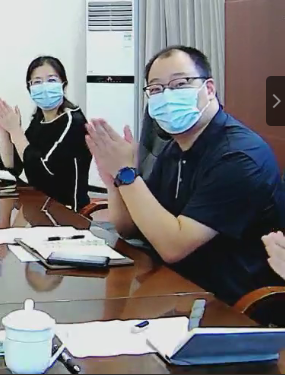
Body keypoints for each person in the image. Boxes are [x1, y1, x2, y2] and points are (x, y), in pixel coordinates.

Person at [86, 46, 285, 305]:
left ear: (209, 89)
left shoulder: (239, 156)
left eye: (180, 84)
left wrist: (126, 174)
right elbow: (129, 227)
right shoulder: (174, 148)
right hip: (175, 286)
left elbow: (173, 247)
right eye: (156, 89)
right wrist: (114, 180)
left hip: (230, 302)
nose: (167, 96)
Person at [0, 56, 92, 211]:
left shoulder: (73, 121)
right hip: (40, 206)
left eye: (51, 80)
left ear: (63, 84)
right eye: (37, 82)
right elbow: (12, 169)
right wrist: (4, 130)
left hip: (68, 211)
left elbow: (41, 174)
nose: (44, 87)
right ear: (30, 88)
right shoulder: (39, 121)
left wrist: (15, 131)